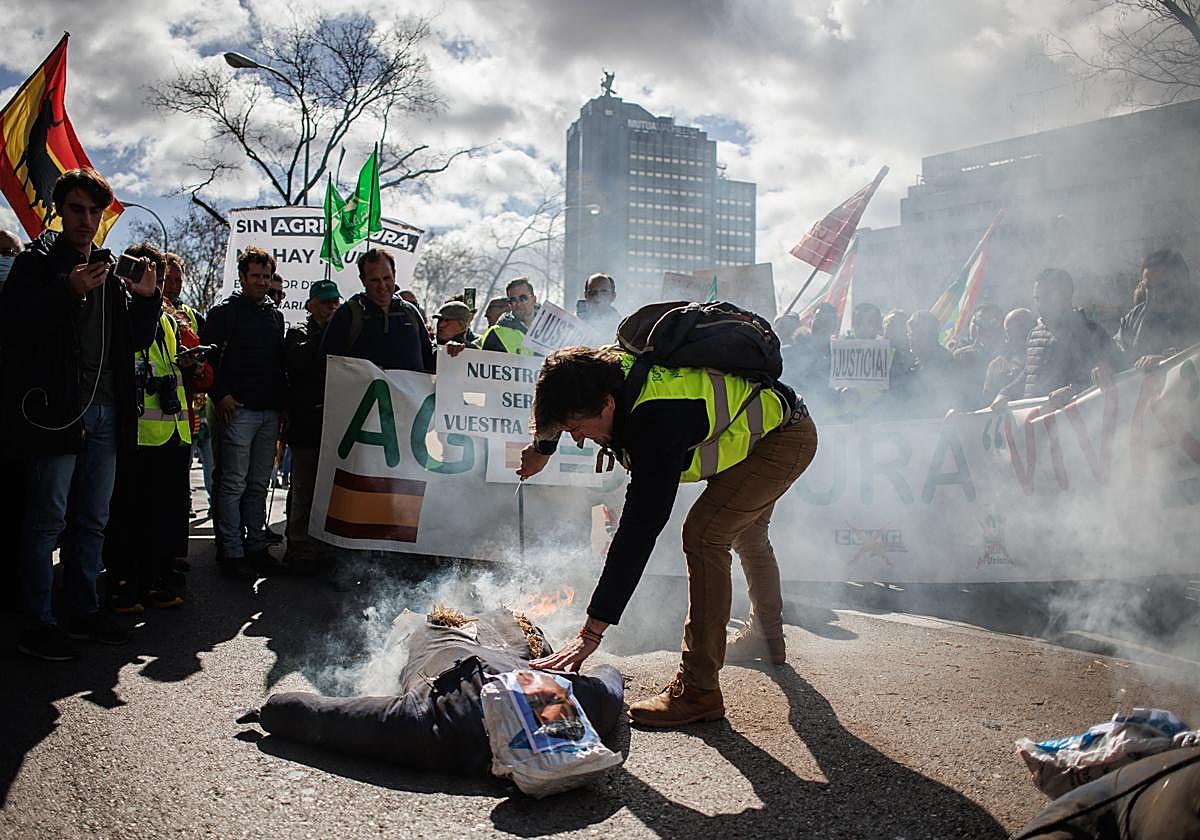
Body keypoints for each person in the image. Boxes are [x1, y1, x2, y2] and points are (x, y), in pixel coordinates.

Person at [517, 345, 818, 728]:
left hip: (783, 439)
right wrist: (543, 446)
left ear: (607, 405)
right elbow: (555, 373)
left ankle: (698, 690)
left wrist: (592, 631)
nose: (577, 439)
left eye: (577, 429)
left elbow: (638, 530)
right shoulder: (601, 370)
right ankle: (767, 635)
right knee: (748, 532)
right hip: (764, 426)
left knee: (705, 534)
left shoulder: (654, 419)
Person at [0, 168, 161, 660]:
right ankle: (38, 620)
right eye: (76, 209)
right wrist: (65, 291)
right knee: (47, 519)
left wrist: (149, 299)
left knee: (93, 519)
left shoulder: (110, 272)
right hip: (58, 414)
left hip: (108, 413)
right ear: (59, 210)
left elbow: (131, 342)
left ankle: (84, 610)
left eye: (95, 211)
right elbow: (14, 326)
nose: (86, 220)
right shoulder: (37, 262)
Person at [105, 242, 212, 612]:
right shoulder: (119, 305)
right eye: (149, 271)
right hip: (137, 430)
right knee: (130, 511)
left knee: (161, 512)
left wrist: (192, 366)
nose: (160, 281)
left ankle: (154, 577)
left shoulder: (169, 317)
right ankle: (124, 581)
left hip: (173, 428)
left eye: (163, 275)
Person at [200, 246, 287, 580]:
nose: (262, 283)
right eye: (256, 277)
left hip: (268, 413)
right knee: (233, 483)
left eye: (266, 277)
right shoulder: (225, 313)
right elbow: (206, 361)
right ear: (242, 277)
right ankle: (232, 551)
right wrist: (220, 395)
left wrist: (282, 408)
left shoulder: (275, 316)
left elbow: (278, 366)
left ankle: (256, 547)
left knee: (258, 485)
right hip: (238, 412)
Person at [282, 279, 341, 573]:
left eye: (335, 301)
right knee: (304, 490)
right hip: (307, 426)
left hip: (336, 429)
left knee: (330, 494)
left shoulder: (342, 335)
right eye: (326, 301)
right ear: (310, 305)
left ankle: (324, 548)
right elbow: (300, 363)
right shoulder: (297, 334)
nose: (332, 306)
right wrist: (328, 333)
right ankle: (298, 547)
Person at [997, 269, 1119, 407]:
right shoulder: (1034, 333)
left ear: (1066, 295)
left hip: (1073, 420)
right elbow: (1029, 373)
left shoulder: (1090, 332)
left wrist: (1072, 391)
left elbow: (1113, 371)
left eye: (1047, 296)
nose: (1040, 304)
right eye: (1037, 298)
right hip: (1036, 421)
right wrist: (1005, 393)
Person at [321, 248, 434, 372]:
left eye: (386, 278)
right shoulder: (347, 316)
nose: (382, 286)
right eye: (375, 280)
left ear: (394, 274)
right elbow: (325, 368)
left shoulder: (410, 313)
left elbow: (430, 359)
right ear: (363, 280)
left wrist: (451, 352)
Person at [1115, 249, 1200, 369]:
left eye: (1164, 285)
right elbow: (1116, 353)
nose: (1156, 295)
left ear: (1183, 280)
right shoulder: (1134, 319)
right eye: (1149, 287)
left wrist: (1169, 362)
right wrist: (1106, 366)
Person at [952, 303, 1004, 409]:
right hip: (972, 412)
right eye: (979, 322)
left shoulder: (1009, 354)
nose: (984, 328)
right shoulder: (962, 356)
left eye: (990, 322)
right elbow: (955, 389)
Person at [983, 308, 1035, 406]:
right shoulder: (997, 365)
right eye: (1010, 331)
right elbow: (987, 401)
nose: (1016, 335)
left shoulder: (1044, 357)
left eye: (1021, 328)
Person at [481, 277, 539, 355]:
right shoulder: (496, 333)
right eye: (513, 300)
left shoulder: (551, 329)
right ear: (509, 304)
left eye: (523, 298)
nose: (518, 304)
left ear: (534, 300)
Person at [581, 272, 622, 340]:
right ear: (586, 295)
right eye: (592, 293)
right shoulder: (570, 324)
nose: (597, 297)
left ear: (613, 296)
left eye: (604, 292)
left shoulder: (621, 329)